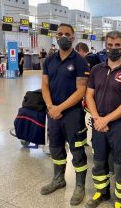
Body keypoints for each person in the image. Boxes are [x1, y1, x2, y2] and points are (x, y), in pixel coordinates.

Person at [85, 30, 121, 208]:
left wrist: (106, 120)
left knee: (119, 164)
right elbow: (89, 96)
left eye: (117, 46)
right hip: (98, 123)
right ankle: (101, 193)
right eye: (110, 45)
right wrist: (96, 118)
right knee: (98, 161)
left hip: (120, 126)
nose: (113, 49)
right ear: (105, 46)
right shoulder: (96, 70)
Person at [41, 23, 90, 206]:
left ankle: (79, 186)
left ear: (73, 37)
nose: (63, 36)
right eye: (60, 33)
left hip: (72, 115)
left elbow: (81, 91)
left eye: (67, 34)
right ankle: (58, 179)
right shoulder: (50, 60)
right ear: (55, 36)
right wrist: (50, 106)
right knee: (55, 147)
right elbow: (44, 85)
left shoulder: (79, 61)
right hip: (53, 112)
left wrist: (59, 108)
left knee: (77, 150)